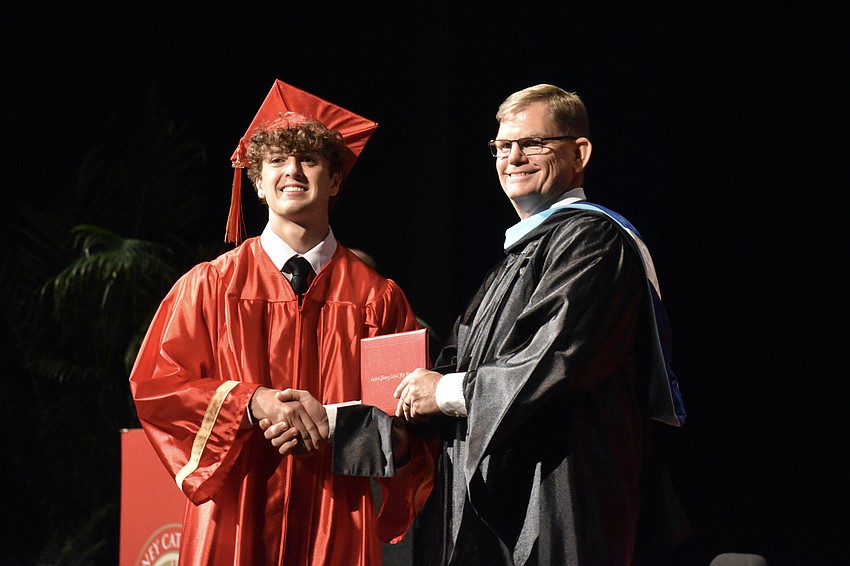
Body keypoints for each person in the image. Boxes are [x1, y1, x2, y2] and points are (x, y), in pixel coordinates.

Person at [129, 79, 435, 566]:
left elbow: (406, 433)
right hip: (235, 519)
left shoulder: (377, 299)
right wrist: (252, 402)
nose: (292, 171)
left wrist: (332, 426)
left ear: (335, 180)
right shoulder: (210, 287)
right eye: (276, 161)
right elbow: (157, 385)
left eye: (309, 160)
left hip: (335, 518)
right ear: (256, 180)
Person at [389, 84, 691, 565]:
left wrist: (442, 393)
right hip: (500, 491)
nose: (514, 157)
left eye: (532, 143)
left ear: (579, 153)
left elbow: (557, 359)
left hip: (559, 488)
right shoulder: (517, 257)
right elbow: (457, 360)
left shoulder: (593, 240)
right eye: (503, 146)